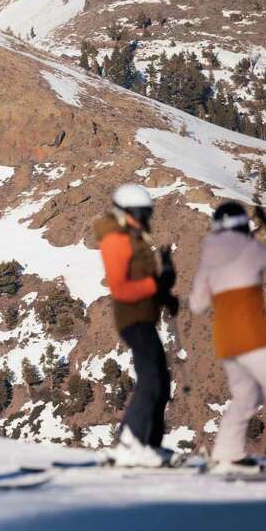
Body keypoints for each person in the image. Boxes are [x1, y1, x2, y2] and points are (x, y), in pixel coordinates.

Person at [189, 201, 266, 476]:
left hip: (225, 341)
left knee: (246, 396)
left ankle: (226, 456)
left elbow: (197, 304)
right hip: (251, 337)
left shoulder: (208, 258)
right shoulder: (249, 248)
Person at [95, 184, 177, 467]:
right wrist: (158, 284)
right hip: (132, 317)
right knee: (151, 379)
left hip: (143, 315)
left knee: (161, 381)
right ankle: (131, 442)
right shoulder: (116, 240)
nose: (145, 218)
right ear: (127, 212)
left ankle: (149, 444)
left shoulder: (133, 236)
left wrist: (164, 292)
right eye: (141, 213)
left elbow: (142, 281)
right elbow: (121, 288)